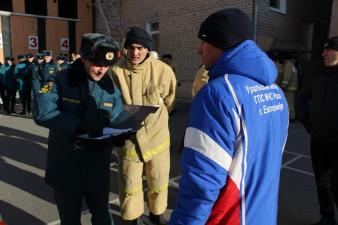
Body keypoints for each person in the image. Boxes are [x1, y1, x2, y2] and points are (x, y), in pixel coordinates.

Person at [169, 8, 289, 225]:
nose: (199, 50)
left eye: (203, 42)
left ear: (219, 43)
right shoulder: (276, 92)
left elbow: (201, 186)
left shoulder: (218, 94)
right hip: (263, 215)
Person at [33, 33, 126, 225]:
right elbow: (42, 111)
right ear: (83, 57)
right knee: (70, 220)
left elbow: (117, 117)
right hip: (66, 166)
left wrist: (119, 134)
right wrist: (77, 126)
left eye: (107, 65)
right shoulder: (59, 79)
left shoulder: (110, 88)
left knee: (103, 219)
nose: (102, 70)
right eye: (97, 63)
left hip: (97, 168)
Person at [111, 26, 176, 225]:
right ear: (125, 49)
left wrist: (156, 122)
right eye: (131, 47)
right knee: (129, 184)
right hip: (129, 142)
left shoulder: (163, 71)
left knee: (158, 181)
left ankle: (156, 213)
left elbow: (170, 101)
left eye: (140, 47)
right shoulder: (115, 72)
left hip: (157, 139)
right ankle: (131, 218)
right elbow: (109, 106)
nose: (135, 52)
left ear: (148, 49)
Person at [296, 36, 338, 225]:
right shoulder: (316, 73)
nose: (323, 53)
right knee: (322, 182)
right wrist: (307, 123)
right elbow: (302, 98)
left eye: (328, 50)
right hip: (318, 139)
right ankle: (327, 219)